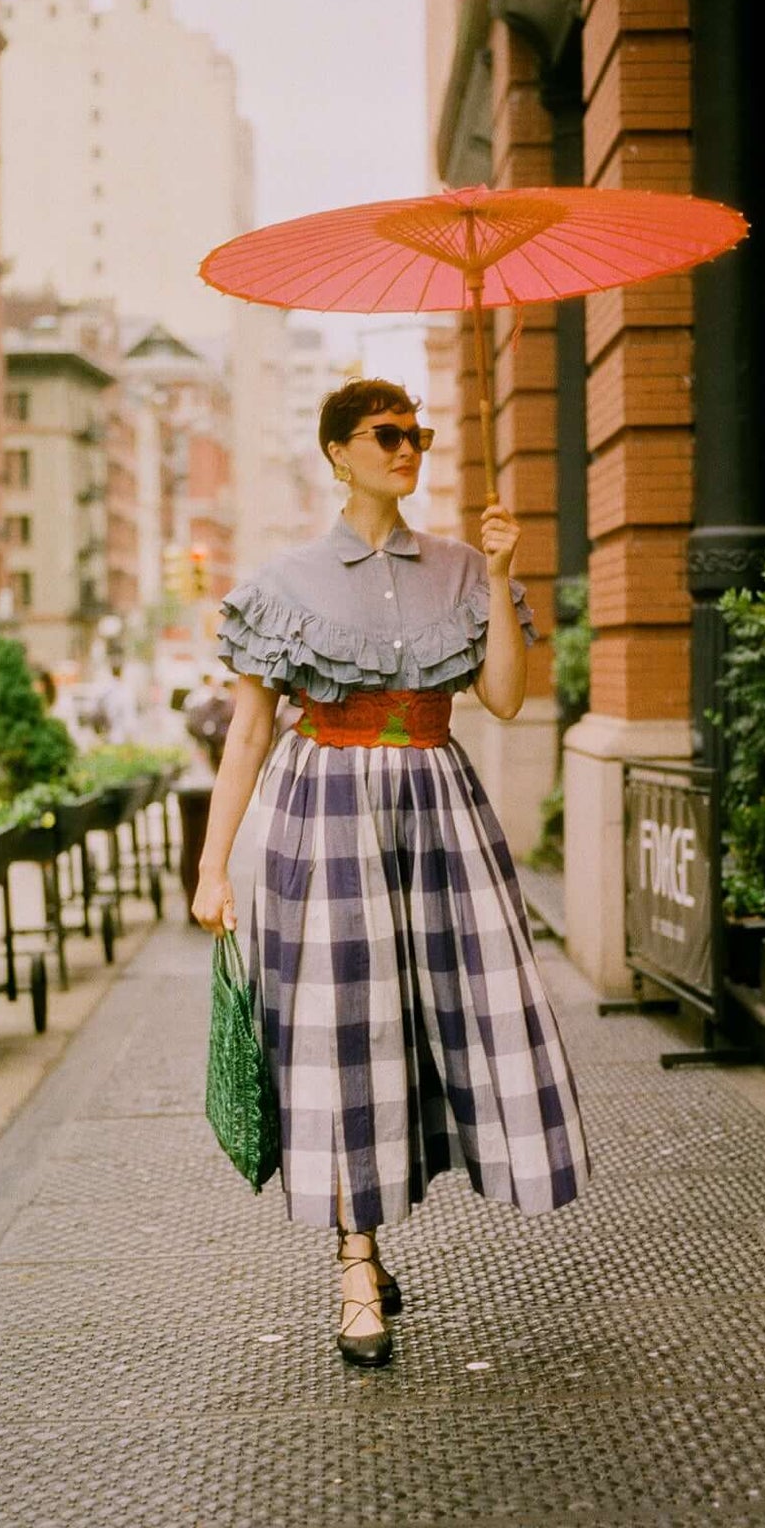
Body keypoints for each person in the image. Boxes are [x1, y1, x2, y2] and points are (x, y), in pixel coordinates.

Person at [192, 378, 590, 1367]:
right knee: (340, 1035)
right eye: (386, 434)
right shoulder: (283, 584)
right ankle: (355, 1264)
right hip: (323, 815)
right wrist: (211, 867)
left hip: (438, 811)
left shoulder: (461, 566)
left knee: (455, 1018)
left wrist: (502, 574)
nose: (408, 448)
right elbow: (249, 734)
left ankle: (388, 1215)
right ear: (337, 452)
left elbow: (504, 698)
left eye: (419, 434)